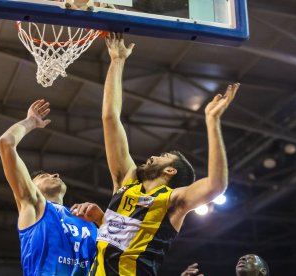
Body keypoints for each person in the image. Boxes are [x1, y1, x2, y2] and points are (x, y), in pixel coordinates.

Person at [75, 33, 239, 275]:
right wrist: (117, 61)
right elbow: (110, 118)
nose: (151, 157)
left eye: (162, 156)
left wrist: (212, 121)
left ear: (170, 170)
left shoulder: (173, 201)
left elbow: (216, 185)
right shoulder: (126, 181)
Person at [0, 99, 103, 276]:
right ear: (31, 186)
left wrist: (102, 220)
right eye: (44, 175)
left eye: (53, 174)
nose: (55, 175)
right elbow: (5, 143)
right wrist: (31, 121)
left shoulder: (88, 220)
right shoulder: (33, 205)